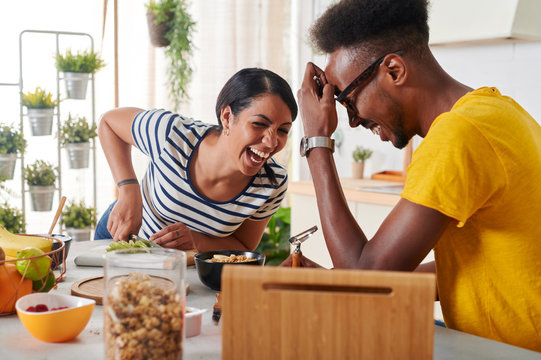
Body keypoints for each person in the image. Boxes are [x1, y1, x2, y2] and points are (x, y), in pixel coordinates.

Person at [288, 0, 541, 352]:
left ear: (393, 70)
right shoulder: (499, 111)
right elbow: (480, 266)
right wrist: (337, 280)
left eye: (347, 100)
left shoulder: (459, 134)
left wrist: (317, 142)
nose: (353, 120)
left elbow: (361, 284)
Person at [95, 68, 297, 253]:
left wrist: (196, 241)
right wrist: (128, 189)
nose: (271, 142)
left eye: (283, 130)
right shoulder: (172, 134)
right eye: (259, 124)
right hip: (118, 239)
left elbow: (243, 247)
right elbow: (109, 123)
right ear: (227, 117)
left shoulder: (272, 182)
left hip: (177, 268)